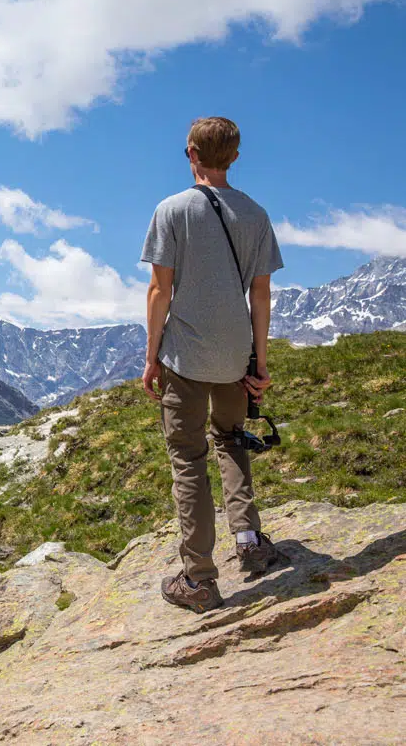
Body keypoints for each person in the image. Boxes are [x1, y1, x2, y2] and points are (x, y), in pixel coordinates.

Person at [140, 117, 287, 613]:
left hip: (184, 355)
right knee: (231, 440)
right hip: (234, 356)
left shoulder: (172, 210)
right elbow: (260, 293)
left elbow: (161, 290)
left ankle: (200, 577)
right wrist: (259, 363)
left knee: (188, 457)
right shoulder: (257, 214)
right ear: (236, 157)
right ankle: (248, 541)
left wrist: (151, 357)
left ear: (189, 153)